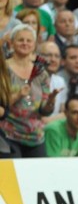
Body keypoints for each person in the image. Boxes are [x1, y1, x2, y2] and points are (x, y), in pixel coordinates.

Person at [1, 23, 59, 157]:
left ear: (34, 45)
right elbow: (1, 106)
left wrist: (50, 102)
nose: (25, 43)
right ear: (12, 43)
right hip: (8, 137)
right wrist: (18, 95)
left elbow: (44, 111)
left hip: (36, 137)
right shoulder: (3, 70)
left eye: (29, 40)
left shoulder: (40, 72)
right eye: (20, 40)